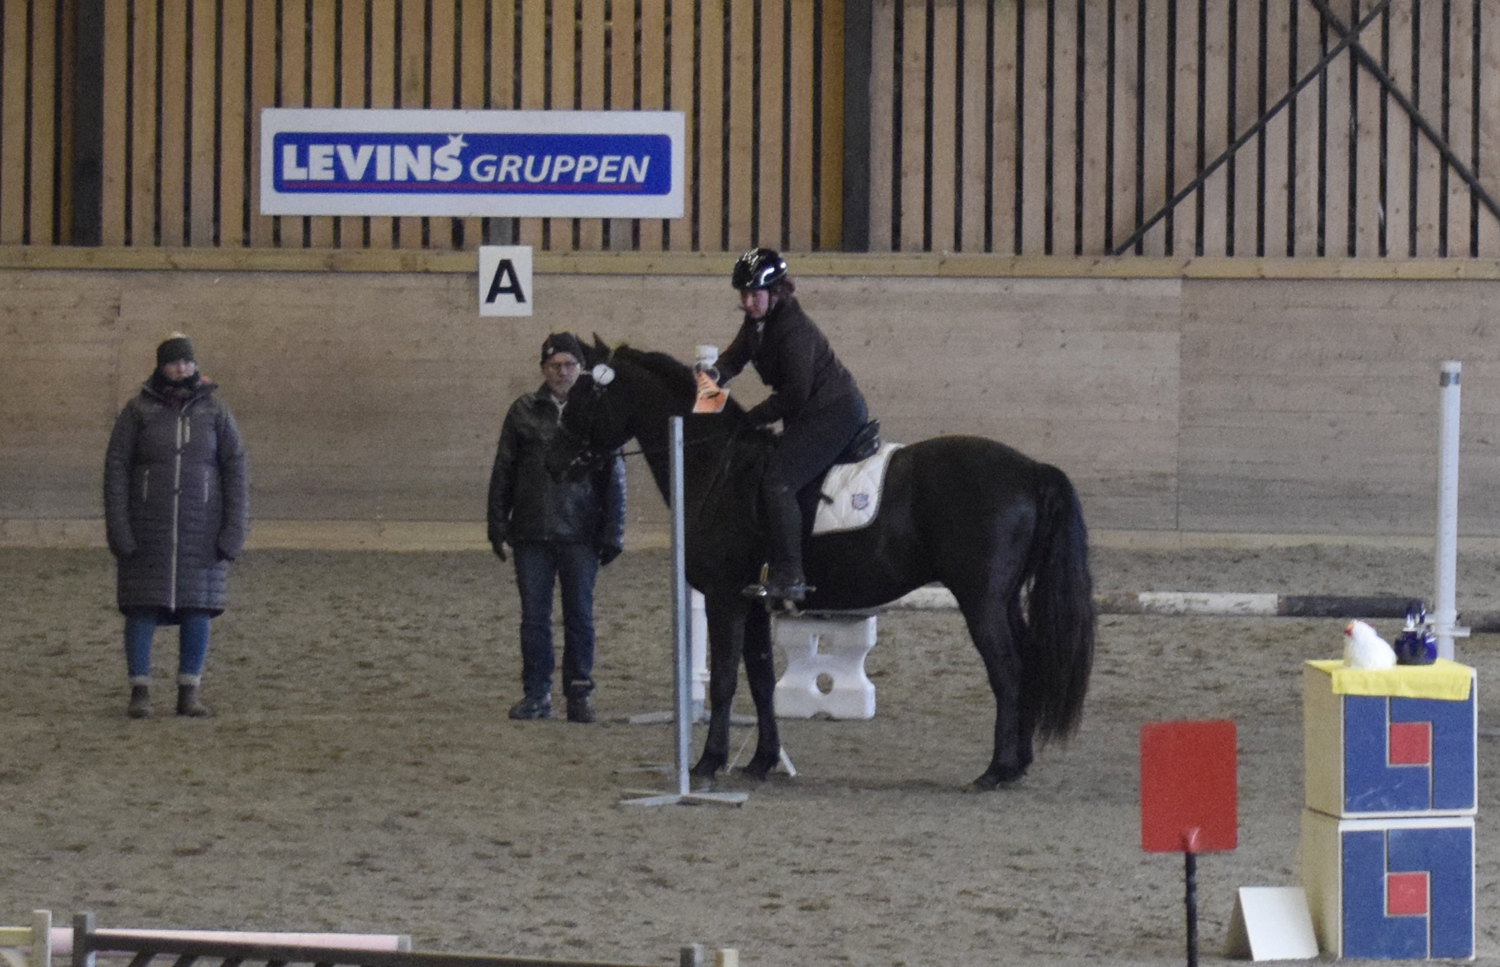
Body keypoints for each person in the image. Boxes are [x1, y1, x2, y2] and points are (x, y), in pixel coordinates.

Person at [103, 333, 249, 719]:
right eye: (173, 362)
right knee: (141, 609)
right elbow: (116, 469)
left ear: (194, 365)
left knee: (197, 610)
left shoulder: (216, 412)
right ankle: (140, 691)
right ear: (161, 366)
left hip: (202, 531)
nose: (181, 368)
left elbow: (235, 470)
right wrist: (119, 529)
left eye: (186, 361)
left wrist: (234, 530)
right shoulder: (137, 411)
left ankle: (189, 691)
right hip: (147, 529)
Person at [713, 247, 869, 606]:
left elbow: (795, 394)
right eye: (744, 295)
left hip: (834, 412)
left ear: (776, 292)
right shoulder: (757, 323)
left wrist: (751, 418)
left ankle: (791, 576)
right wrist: (710, 379)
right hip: (809, 412)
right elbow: (733, 359)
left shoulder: (793, 330)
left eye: (755, 295)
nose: (748, 302)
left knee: (779, 482)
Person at [487, 332, 627, 723]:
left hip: (581, 533)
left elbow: (614, 474)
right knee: (534, 619)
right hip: (530, 532)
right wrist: (496, 522)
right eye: (554, 365)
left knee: (579, 616)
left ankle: (579, 692)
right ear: (543, 369)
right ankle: (537, 694)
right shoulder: (522, 411)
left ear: (581, 368)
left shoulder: (598, 411)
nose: (562, 372)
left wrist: (614, 531)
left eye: (569, 365)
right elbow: (504, 469)